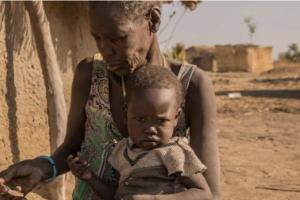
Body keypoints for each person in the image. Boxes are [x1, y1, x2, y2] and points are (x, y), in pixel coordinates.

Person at [0, 1, 220, 200]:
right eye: (97, 38)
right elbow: (72, 146)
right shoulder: (90, 73)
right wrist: (44, 167)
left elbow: (210, 192)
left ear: (153, 20)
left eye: (118, 38)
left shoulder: (191, 85)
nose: (105, 50)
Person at [67, 64, 212, 200]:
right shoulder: (122, 151)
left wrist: (155, 199)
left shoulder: (174, 152)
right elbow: (117, 195)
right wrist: (89, 177)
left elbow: (203, 193)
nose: (150, 129)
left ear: (176, 118)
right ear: (126, 115)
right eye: (141, 119)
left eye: (161, 121)